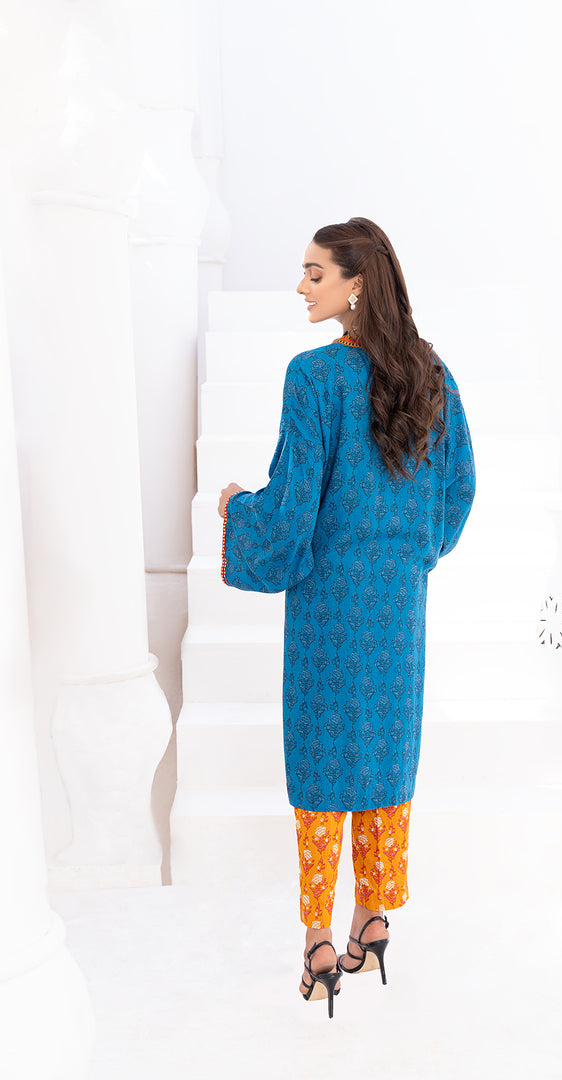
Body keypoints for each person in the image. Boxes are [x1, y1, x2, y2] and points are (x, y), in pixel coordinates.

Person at [218, 216, 475, 1018]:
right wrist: (410, 554)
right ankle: (374, 918)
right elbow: (459, 491)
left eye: (314, 273)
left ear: (356, 283)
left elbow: (293, 508)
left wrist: (238, 510)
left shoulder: (313, 377)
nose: (301, 286)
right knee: (384, 756)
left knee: (323, 763)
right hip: (396, 609)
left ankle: (319, 943)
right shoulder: (432, 373)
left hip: (328, 608)